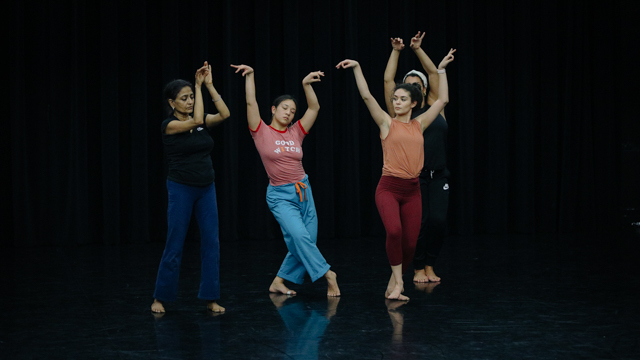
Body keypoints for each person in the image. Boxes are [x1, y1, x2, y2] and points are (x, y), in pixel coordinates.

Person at [336, 48, 455, 300]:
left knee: (411, 244)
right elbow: (367, 96)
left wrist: (441, 70)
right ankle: (399, 284)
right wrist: (357, 68)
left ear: (414, 102)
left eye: (402, 99)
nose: (396, 102)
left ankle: (394, 281)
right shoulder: (386, 122)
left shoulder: (420, 123)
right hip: (389, 187)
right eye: (394, 99)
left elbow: (442, 99)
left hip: (413, 190)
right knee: (394, 232)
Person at [231, 63, 340, 297]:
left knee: (305, 241)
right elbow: (251, 103)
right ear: (273, 109)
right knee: (300, 238)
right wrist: (250, 76)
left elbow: (315, 107)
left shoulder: (296, 131)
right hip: (280, 195)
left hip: (304, 190)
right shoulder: (260, 131)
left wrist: (305, 85)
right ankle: (328, 274)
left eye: (292, 110)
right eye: (285, 108)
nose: (289, 113)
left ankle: (279, 281)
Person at [151, 62, 231, 313]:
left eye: (192, 97)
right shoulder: (170, 125)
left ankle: (211, 297)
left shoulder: (200, 122)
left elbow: (225, 114)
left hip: (206, 188)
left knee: (211, 243)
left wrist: (208, 85)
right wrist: (196, 83)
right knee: (175, 243)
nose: (189, 101)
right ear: (172, 103)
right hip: (181, 188)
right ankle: (160, 297)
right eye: (184, 98)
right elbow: (197, 118)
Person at [384, 32, 452, 283]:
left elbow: (435, 75)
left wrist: (417, 49)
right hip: (415, 177)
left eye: (417, 85)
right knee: (419, 225)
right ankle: (417, 267)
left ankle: (430, 264)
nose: (413, 88)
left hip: (439, 175)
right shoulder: (401, 112)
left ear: (424, 89)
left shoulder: (435, 107)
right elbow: (388, 80)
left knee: (438, 222)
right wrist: (397, 51)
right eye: (408, 85)